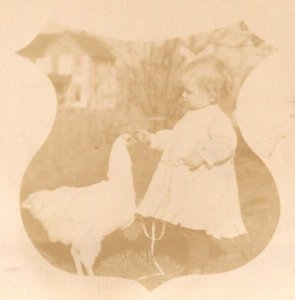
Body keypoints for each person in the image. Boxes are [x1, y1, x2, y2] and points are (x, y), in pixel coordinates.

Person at [135, 55, 247, 274]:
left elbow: (226, 143)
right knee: (185, 221)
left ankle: (195, 268)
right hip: (186, 181)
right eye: (183, 91)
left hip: (202, 183)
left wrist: (204, 155)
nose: (183, 96)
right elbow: (176, 140)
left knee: (195, 225)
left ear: (212, 95)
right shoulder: (191, 116)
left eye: (189, 91)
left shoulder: (216, 119)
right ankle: (178, 254)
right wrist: (154, 139)